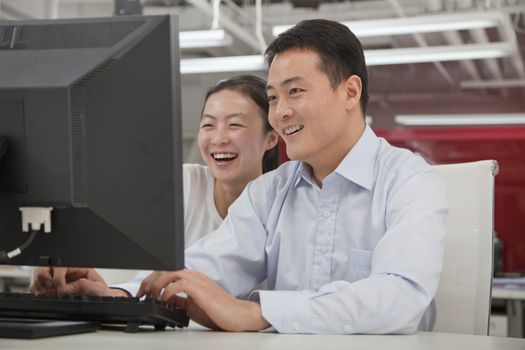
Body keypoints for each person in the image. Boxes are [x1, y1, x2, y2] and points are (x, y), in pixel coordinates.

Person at [31, 19, 448, 335]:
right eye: (272, 97)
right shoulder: (270, 192)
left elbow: (400, 295)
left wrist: (256, 312)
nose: (280, 112)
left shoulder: (410, 182)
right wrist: (119, 295)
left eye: (295, 92)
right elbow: (206, 267)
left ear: (350, 92)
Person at [29, 75, 279, 297]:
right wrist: (68, 262)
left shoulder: (281, 205)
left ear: (271, 138)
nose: (219, 138)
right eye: (208, 125)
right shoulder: (183, 185)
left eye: (235, 125)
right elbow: (133, 262)